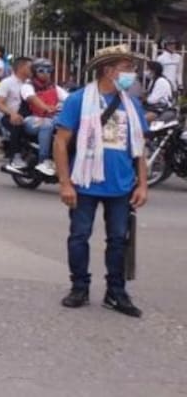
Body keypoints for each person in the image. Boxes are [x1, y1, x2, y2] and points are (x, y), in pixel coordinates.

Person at [54, 44, 149, 317]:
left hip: (120, 185)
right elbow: (61, 142)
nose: (132, 73)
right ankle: (79, 287)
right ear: (109, 71)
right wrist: (65, 183)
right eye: (127, 68)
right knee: (79, 235)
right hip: (84, 182)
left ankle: (116, 292)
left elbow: (139, 149)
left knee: (119, 239)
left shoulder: (132, 105)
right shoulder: (78, 100)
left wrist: (142, 184)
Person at [26, 58, 66, 176]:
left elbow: (69, 98)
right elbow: (31, 98)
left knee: (67, 125)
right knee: (46, 124)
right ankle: (42, 160)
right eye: (41, 70)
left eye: (49, 70)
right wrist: (46, 107)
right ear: (35, 72)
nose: (45, 73)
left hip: (51, 117)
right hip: (32, 119)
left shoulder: (54, 87)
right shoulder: (28, 86)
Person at [0, 57, 34, 174]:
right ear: (21, 68)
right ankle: (15, 157)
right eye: (30, 67)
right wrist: (12, 114)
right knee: (17, 122)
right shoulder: (7, 82)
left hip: (28, 116)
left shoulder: (30, 84)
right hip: (10, 116)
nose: (33, 69)